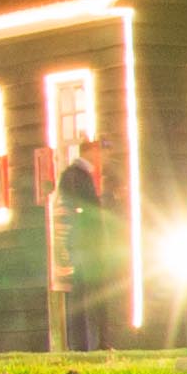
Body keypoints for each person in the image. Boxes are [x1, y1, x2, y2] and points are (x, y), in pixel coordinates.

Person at [52, 142, 113, 348]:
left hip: (87, 244)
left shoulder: (80, 176)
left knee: (92, 293)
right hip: (84, 245)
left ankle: (97, 342)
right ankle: (88, 344)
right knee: (88, 294)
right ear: (91, 152)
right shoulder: (74, 176)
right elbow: (76, 208)